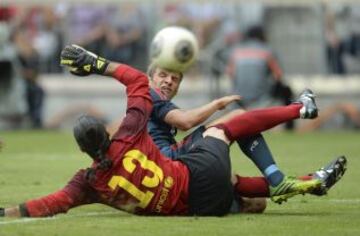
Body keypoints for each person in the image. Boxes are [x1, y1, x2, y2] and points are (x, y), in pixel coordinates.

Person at [0, 45, 345, 217]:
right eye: (163, 75)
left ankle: (303, 181)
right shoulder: (141, 110)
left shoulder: (90, 181)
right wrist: (95, 63)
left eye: (174, 78)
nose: (168, 81)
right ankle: (300, 110)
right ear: (150, 78)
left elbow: (53, 203)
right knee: (232, 122)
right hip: (180, 166)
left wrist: (7, 213)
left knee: (250, 200)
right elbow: (181, 121)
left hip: (189, 194)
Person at [225, 25, 294, 130]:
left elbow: (230, 73)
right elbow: (278, 75)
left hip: (238, 98)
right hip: (261, 96)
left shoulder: (236, 51)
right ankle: (290, 127)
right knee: (287, 90)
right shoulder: (267, 51)